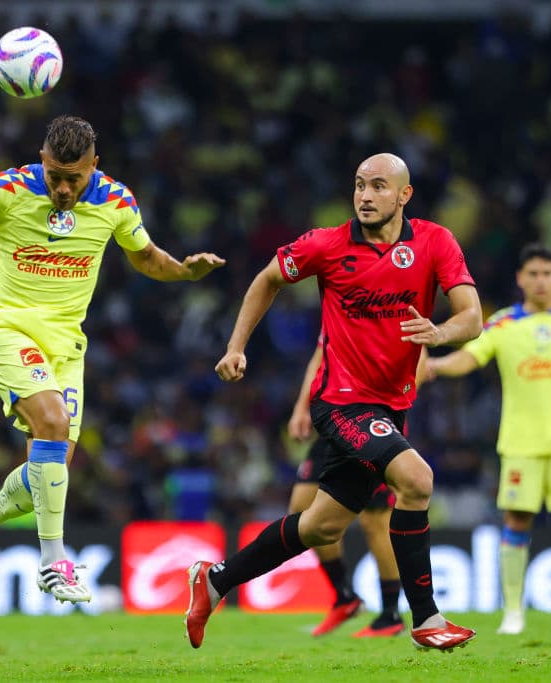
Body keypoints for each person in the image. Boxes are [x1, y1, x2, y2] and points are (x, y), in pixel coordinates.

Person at [0, 115, 224, 603]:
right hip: (8, 328)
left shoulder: (116, 201)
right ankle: (54, 560)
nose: (64, 189)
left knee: (50, 472)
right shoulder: (11, 186)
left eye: (75, 178)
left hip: (66, 347)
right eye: (56, 176)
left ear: (94, 167)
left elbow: (146, 257)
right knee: (52, 420)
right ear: (43, 161)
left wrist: (184, 271)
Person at [185, 153, 482, 652]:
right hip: (341, 402)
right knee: (417, 479)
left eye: (379, 187)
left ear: (404, 196)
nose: (365, 196)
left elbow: (472, 316)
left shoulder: (435, 242)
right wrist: (236, 347)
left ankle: (214, 579)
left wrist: (441, 330)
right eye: (360, 186)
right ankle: (426, 618)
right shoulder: (326, 244)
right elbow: (267, 279)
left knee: (321, 526)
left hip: (390, 406)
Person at [422, 243, 551, 635]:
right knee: (517, 520)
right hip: (521, 443)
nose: (540, 280)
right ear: (520, 279)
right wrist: (437, 365)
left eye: (547, 273)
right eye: (533, 274)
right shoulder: (503, 325)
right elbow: (472, 357)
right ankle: (513, 612)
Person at [287, 343, 405, 638]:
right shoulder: (340, 302)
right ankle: (345, 597)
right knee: (302, 507)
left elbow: (415, 356)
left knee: (375, 519)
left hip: (372, 417)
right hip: (334, 415)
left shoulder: (396, 305)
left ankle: (390, 614)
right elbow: (321, 353)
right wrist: (302, 406)